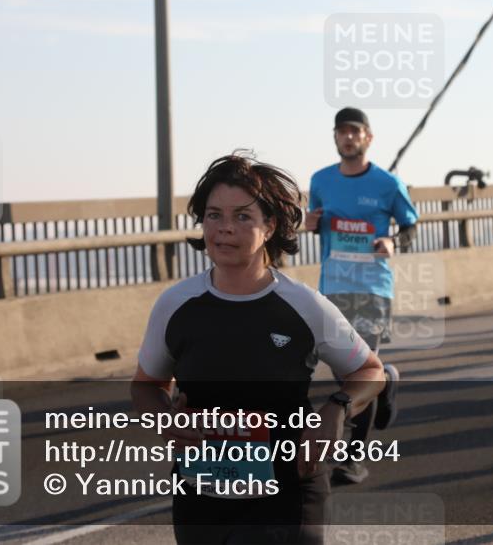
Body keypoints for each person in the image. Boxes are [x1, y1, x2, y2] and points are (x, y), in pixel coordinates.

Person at [131, 153, 385, 544]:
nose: (225, 229)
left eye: (242, 217)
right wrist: (167, 421)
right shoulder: (175, 304)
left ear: (270, 226)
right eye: (214, 215)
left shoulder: (303, 305)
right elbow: (147, 384)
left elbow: (370, 371)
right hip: (201, 491)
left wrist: (338, 408)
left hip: (289, 489)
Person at [305, 107, 419, 484]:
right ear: (335, 138)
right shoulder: (320, 180)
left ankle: (352, 459)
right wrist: (309, 224)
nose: (348, 138)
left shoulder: (388, 184)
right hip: (333, 288)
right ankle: (385, 379)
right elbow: (313, 220)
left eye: (355, 132)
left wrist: (392, 240)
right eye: (342, 132)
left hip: (372, 289)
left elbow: (410, 226)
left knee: (355, 372)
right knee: (347, 374)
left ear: (368, 137)